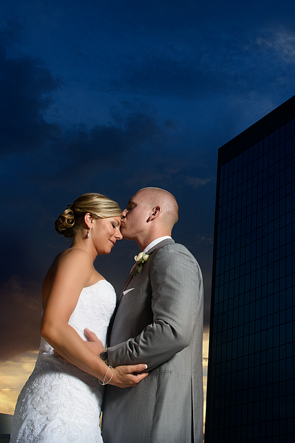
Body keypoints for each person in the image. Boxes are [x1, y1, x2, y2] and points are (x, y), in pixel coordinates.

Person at [11, 193, 148, 443]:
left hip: (77, 395)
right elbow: (53, 328)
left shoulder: (75, 261)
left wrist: (100, 351)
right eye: (113, 225)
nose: (119, 235)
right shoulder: (76, 258)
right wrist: (110, 374)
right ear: (89, 220)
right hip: (63, 396)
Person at [85, 187, 204, 443]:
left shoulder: (173, 256)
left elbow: (173, 331)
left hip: (153, 418)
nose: (123, 213)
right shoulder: (147, 263)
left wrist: (106, 357)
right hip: (128, 414)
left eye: (131, 206)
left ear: (154, 213)